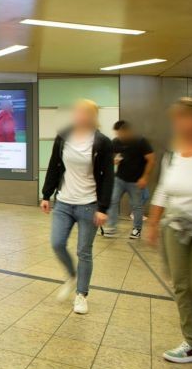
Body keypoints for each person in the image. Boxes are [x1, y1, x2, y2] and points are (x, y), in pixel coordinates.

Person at [146, 97, 192, 364]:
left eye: (185, 117)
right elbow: (163, 189)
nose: (179, 124)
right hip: (175, 228)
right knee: (183, 286)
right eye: (177, 119)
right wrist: (153, 222)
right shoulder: (173, 154)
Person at [41, 99, 113, 315]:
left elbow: (108, 177)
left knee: (84, 251)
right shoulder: (64, 136)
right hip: (63, 201)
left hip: (89, 204)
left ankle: (81, 294)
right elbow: (54, 165)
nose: (80, 116)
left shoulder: (102, 142)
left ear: (93, 116)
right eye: (77, 112)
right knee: (57, 243)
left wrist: (104, 208)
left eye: (85, 113)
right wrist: (46, 194)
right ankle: (72, 276)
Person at [104, 120, 155, 239]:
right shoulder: (116, 142)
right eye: (117, 134)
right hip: (120, 179)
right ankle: (111, 227)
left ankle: (137, 229)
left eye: (121, 133)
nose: (119, 136)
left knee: (136, 205)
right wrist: (114, 159)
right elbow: (109, 155)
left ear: (127, 132)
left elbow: (151, 160)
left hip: (136, 181)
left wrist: (144, 177)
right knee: (113, 200)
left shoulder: (141, 142)